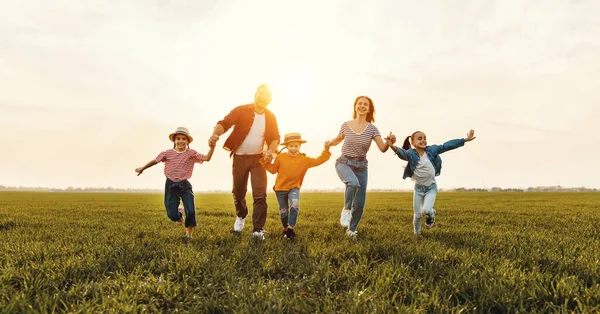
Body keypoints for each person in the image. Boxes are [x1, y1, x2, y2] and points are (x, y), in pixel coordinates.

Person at [208, 84, 280, 240]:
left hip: (258, 159)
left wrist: (270, 151)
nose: (263, 97)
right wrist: (215, 135)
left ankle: (258, 230)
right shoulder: (241, 110)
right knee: (238, 192)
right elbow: (224, 123)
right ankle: (241, 215)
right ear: (255, 94)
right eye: (261, 94)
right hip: (239, 158)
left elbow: (275, 138)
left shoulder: (271, 117)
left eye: (266, 96)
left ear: (270, 100)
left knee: (260, 194)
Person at [326, 96, 396, 238]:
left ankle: (351, 230)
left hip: (362, 166)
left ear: (369, 109)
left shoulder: (372, 129)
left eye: (365, 104)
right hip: (343, 162)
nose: (362, 106)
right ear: (355, 106)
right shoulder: (346, 125)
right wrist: (328, 144)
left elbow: (382, 148)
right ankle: (346, 209)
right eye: (360, 103)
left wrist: (389, 143)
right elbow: (337, 139)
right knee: (352, 183)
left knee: (359, 203)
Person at [385, 129, 476, 235]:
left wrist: (465, 139)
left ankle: (431, 215)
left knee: (427, 210)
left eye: (424, 138)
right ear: (413, 143)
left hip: (431, 188)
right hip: (418, 189)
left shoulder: (432, 150)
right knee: (417, 214)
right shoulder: (410, 153)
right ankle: (417, 233)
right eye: (420, 139)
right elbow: (402, 153)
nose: (423, 140)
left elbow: (446, 146)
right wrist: (391, 145)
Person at [135, 127, 215, 240]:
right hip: (171, 185)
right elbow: (155, 161)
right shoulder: (167, 153)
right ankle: (179, 215)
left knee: (191, 210)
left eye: (184, 139)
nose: (181, 141)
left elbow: (207, 158)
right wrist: (142, 168)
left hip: (185, 185)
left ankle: (188, 235)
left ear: (188, 141)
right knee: (172, 215)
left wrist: (212, 147)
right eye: (178, 139)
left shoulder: (191, 153)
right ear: (174, 141)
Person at [260, 132, 332, 240]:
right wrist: (265, 161)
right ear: (286, 146)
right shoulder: (280, 157)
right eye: (291, 146)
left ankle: (290, 229)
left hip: (294, 187)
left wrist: (326, 150)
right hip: (280, 189)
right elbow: (273, 170)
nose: (293, 148)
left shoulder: (304, 159)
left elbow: (318, 160)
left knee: (295, 205)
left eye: (296, 146)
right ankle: (286, 229)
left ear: (299, 146)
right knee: (283, 212)